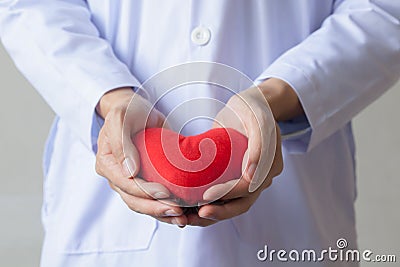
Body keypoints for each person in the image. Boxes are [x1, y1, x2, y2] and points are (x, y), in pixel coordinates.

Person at [0, 0, 399, 266]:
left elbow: (383, 9)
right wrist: (109, 96)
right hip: (106, 225)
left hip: (292, 222)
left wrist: (280, 95)